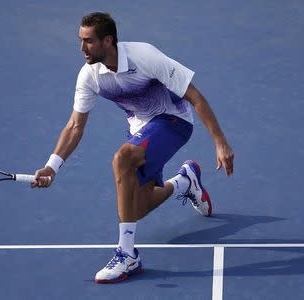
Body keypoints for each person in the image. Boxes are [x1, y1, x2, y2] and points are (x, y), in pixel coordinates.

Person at [32, 12, 234, 283]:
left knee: (123, 157)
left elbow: (195, 96)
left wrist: (220, 142)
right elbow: (75, 126)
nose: (82, 48)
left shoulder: (144, 57)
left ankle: (127, 256)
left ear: (108, 41)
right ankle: (185, 182)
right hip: (141, 132)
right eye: (80, 41)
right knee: (135, 208)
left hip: (173, 122)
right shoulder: (90, 75)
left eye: (88, 41)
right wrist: (52, 166)